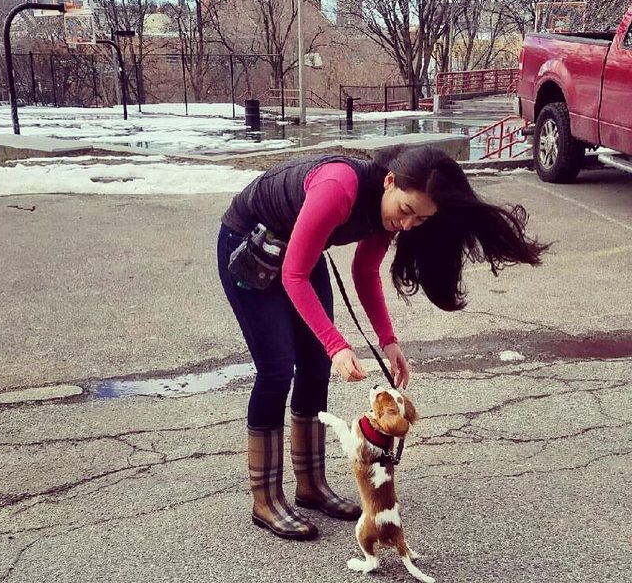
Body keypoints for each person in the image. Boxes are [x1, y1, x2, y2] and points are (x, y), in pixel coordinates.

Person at [216, 144, 548, 541]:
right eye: (407, 211)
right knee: (276, 368)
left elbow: (364, 272)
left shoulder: (388, 216)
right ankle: (266, 500)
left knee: (315, 366)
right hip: (248, 242)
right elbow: (294, 276)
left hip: (295, 250)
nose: (408, 224)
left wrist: (389, 342)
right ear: (389, 182)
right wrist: (336, 344)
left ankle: (311, 486)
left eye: (421, 219)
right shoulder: (340, 188)